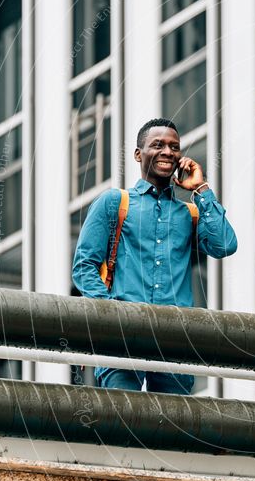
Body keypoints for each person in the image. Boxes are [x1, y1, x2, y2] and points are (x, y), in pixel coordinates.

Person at [72, 118, 238, 393]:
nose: (168, 152)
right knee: (123, 422)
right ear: (139, 154)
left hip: (176, 337)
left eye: (175, 147)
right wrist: (111, 312)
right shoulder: (115, 202)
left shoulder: (189, 213)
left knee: (173, 429)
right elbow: (84, 266)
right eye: (157, 145)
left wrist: (201, 189)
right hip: (123, 336)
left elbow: (224, 245)